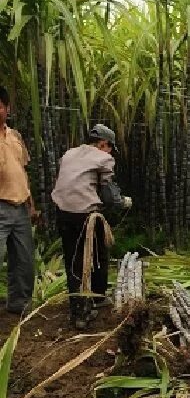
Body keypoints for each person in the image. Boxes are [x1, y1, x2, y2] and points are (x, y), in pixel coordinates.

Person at [52, 124, 132, 329]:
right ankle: (88, 306)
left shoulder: (69, 153)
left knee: (73, 262)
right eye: (110, 147)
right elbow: (109, 196)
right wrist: (123, 201)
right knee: (96, 256)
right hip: (85, 216)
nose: (111, 152)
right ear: (104, 144)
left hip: (62, 213)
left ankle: (80, 306)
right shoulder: (103, 158)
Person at [0, 85, 38, 315]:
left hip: (20, 207)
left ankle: (19, 304)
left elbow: (23, 171)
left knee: (23, 260)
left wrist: (31, 206)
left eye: (0, 107)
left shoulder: (15, 136)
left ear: (7, 109)